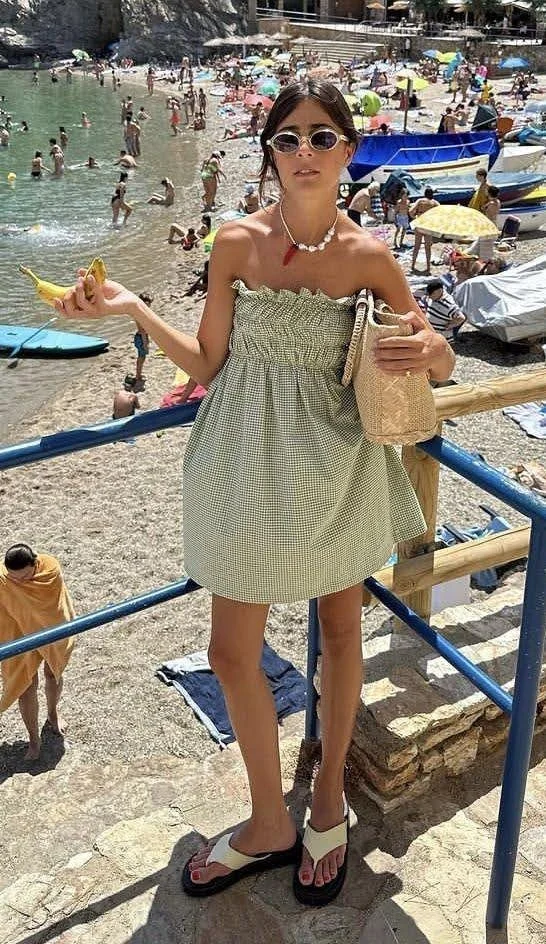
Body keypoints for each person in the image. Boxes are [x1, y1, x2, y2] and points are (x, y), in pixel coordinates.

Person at [55, 78, 455, 905]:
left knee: (342, 634)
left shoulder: (371, 257)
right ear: (269, 150)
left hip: (338, 462)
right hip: (239, 456)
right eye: (287, 138)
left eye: (320, 137)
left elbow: (433, 358)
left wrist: (432, 353)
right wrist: (133, 303)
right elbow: (206, 365)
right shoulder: (233, 242)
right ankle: (270, 819)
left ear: (348, 150)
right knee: (231, 650)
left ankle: (330, 798)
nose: (303, 153)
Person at [0, 544, 75, 761]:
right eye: (15, 578)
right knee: (26, 685)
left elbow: (54, 607)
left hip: (50, 629)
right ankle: (34, 739)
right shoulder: (4, 579)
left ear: (35, 562)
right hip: (18, 632)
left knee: (53, 674)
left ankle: (53, 714)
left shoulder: (50, 570)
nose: (19, 582)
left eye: (24, 577)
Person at [410, 186, 439, 274]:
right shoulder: (435, 203)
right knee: (428, 248)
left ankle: (412, 265)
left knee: (417, 246)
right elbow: (440, 213)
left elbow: (411, 211)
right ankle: (428, 267)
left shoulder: (420, 201)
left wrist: (414, 218)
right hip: (428, 225)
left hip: (420, 224)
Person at [133, 292, 151, 386]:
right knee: (141, 357)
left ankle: (138, 374)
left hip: (142, 337)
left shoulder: (139, 313)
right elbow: (142, 331)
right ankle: (137, 376)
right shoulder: (139, 316)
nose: (148, 308)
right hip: (141, 338)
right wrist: (145, 344)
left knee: (141, 358)